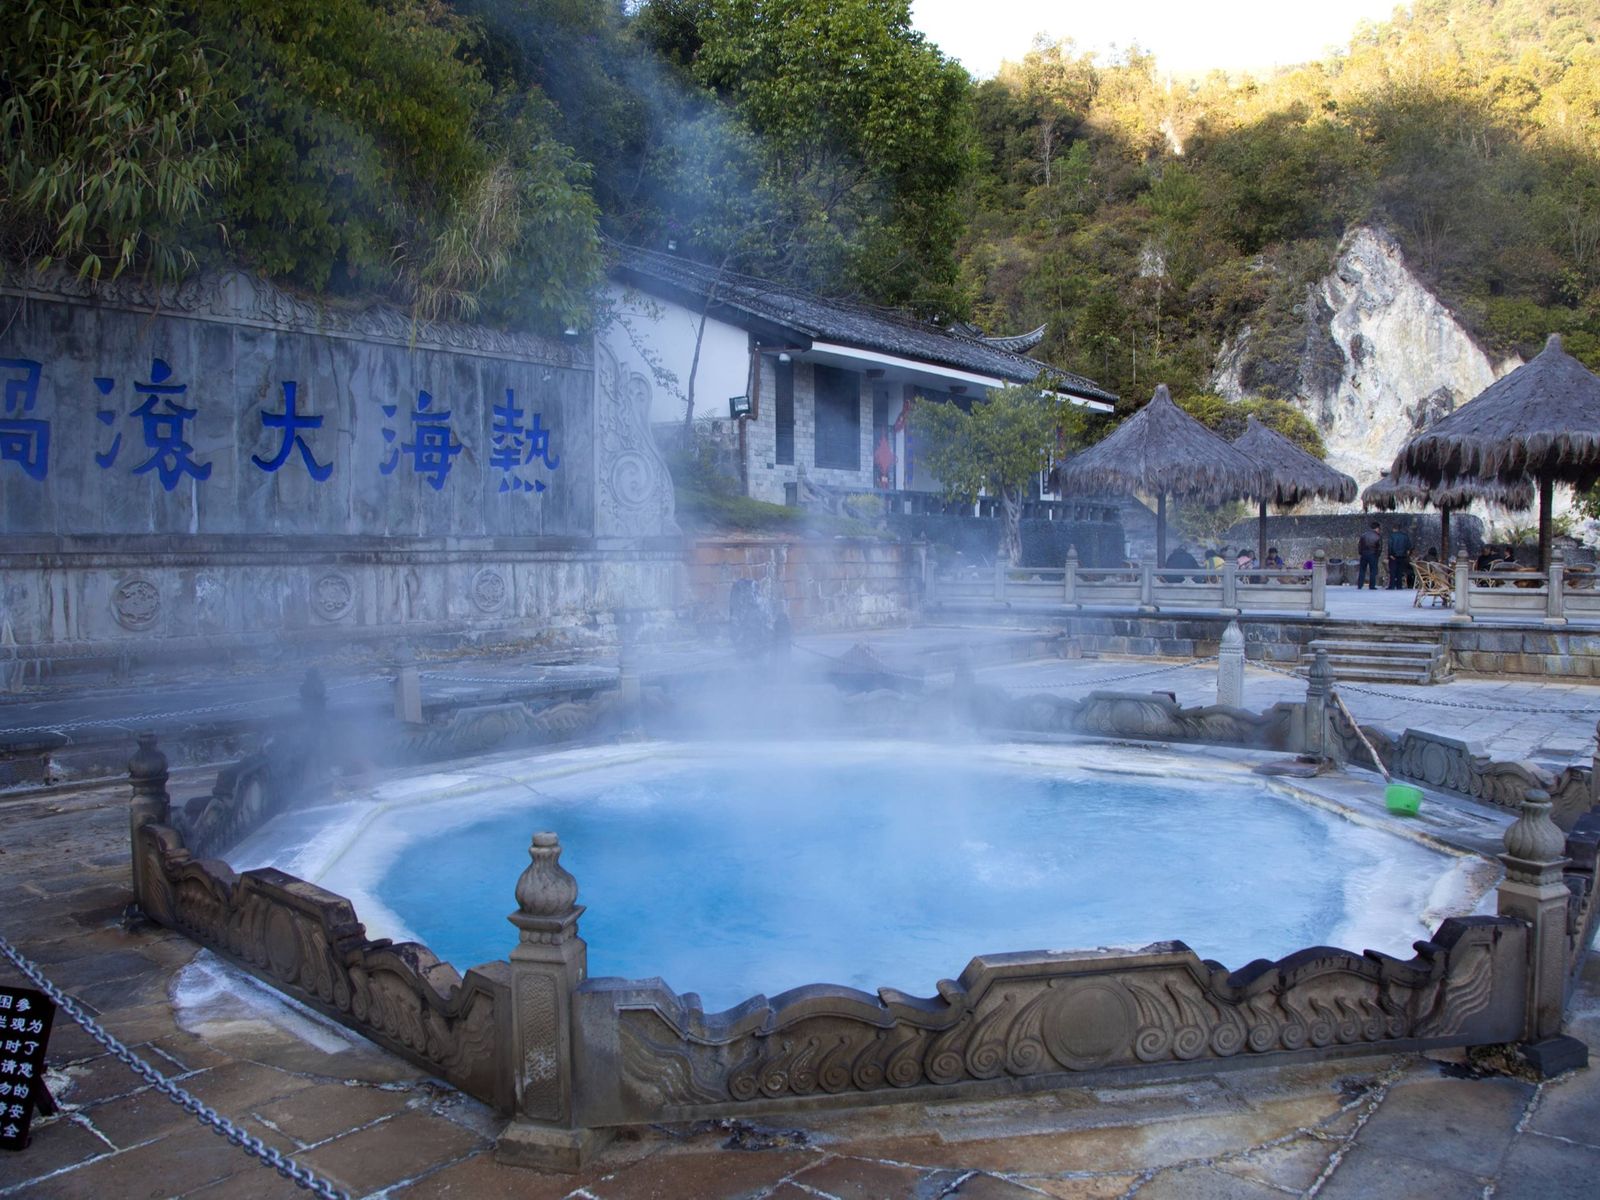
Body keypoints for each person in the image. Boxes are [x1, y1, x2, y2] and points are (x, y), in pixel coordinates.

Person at [1386, 524, 1414, 589]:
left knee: (1392, 571)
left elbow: (1390, 546)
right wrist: (1406, 554)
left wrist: (1390, 554)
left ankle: (1392, 585)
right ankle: (1399, 585)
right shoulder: (1405, 536)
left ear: (1394, 529)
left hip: (1394, 556)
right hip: (1402, 556)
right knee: (1400, 571)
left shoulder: (1392, 536)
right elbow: (1409, 546)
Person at [1357, 521, 1382, 590]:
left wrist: (1361, 553)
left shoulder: (1364, 535)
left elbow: (1359, 545)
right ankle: (1372, 585)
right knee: (1373, 571)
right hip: (1373, 555)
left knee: (1362, 570)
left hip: (1364, 554)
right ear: (1377, 528)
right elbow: (1379, 548)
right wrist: (1377, 555)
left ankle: (1360, 584)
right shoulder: (1378, 536)